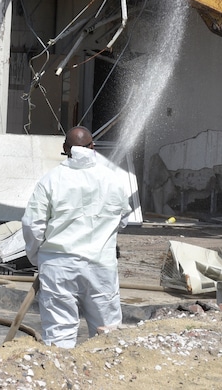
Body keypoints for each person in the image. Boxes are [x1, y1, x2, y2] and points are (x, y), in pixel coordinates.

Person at [20, 126, 132, 348]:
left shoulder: (50, 180)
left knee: (59, 336)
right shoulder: (113, 179)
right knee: (107, 335)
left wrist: (38, 258)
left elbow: (33, 225)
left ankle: (61, 380)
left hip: (58, 267)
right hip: (101, 266)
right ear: (93, 147)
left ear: (65, 149)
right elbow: (123, 218)